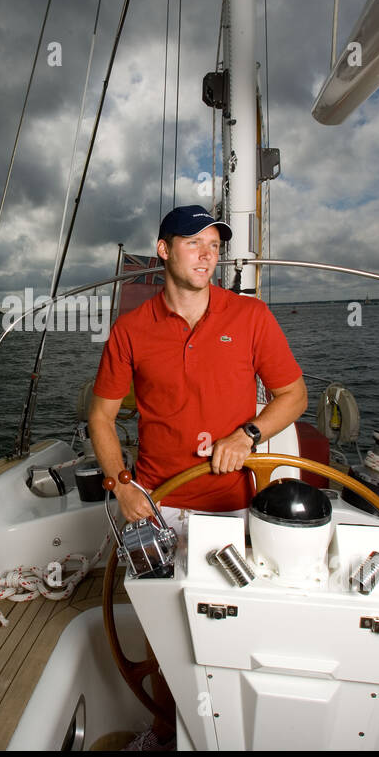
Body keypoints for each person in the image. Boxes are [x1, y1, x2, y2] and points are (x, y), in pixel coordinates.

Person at [89, 204, 307, 523]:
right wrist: (124, 489)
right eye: (193, 243)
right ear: (164, 249)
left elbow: (295, 396)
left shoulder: (251, 316)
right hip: (155, 503)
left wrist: (246, 435)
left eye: (214, 245)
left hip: (236, 505)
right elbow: (101, 417)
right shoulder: (129, 329)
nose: (207, 254)